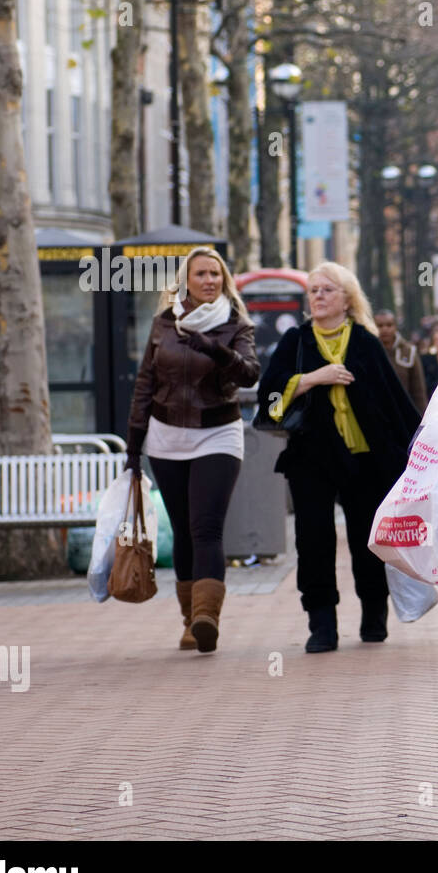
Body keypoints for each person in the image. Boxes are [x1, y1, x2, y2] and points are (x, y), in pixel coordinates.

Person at [258, 263, 421, 651]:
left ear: (347, 299)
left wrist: (421, 450)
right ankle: (322, 624)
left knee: (367, 539)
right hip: (311, 458)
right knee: (312, 539)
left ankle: (373, 612)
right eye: (312, 291)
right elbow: (270, 400)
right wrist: (313, 378)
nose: (317, 297)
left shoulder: (365, 342)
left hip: (365, 459)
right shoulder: (296, 342)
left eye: (327, 290)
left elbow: (394, 405)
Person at [126, 247, 260, 653]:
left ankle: (207, 618)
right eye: (201, 274)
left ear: (224, 280)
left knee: (206, 527)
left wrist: (213, 348)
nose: (209, 281)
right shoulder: (163, 324)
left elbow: (250, 373)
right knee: (183, 531)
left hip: (217, 434)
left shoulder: (235, 324)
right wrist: (133, 450)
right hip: (166, 438)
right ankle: (189, 621)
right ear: (186, 280)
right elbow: (145, 385)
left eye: (215, 275)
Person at [374, 309, 429, 412]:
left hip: (404, 413)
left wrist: (421, 418)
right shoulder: (369, 351)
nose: (385, 329)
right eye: (380, 326)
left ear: (395, 327)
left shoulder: (409, 351)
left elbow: (418, 391)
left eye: (389, 325)